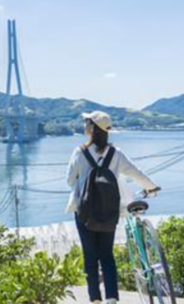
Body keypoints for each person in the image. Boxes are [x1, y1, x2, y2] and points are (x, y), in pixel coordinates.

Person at [67, 110, 160, 304]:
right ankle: (111, 299)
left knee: (90, 256)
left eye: (86, 122)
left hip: (84, 212)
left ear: (92, 128)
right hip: (109, 212)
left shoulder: (79, 151)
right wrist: (151, 187)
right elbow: (136, 173)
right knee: (107, 255)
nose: (84, 125)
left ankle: (95, 299)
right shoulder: (116, 153)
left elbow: (69, 180)